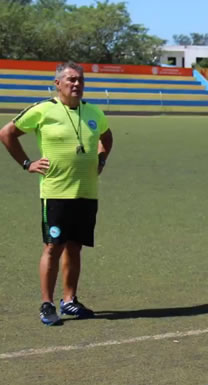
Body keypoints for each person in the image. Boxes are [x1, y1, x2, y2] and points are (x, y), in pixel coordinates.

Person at [0, 61, 113, 325]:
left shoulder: (94, 112)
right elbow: (7, 133)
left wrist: (101, 160)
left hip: (86, 192)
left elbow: (107, 139)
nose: (76, 84)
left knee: (75, 247)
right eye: (71, 80)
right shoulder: (43, 110)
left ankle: (70, 301)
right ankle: (47, 304)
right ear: (58, 83)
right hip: (56, 193)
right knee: (53, 247)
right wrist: (28, 163)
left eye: (80, 80)